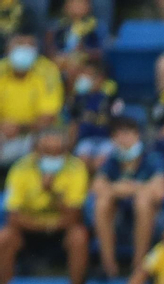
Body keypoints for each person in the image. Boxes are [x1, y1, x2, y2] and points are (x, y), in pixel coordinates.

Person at [0, 125, 87, 284]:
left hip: (61, 233)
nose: (51, 156)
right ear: (36, 150)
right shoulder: (20, 168)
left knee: (79, 237)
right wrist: (45, 226)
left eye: (57, 152)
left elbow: (74, 217)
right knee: (5, 237)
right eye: (47, 151)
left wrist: (53, 192)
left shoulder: (76, 168)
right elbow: (13, 218)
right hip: (29, 232)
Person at [92, 116, 164, 278]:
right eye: (117, 135)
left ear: (137, 135)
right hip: (119, 213)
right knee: (102, 203)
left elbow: (160, 191)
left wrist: (129, 188)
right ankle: (108, 265)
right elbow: (97, 187)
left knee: (143, 201)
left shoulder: (153, 158)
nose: (123, 139)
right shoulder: (111, 161)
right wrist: (125, 189)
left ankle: (139, 265)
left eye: (127, 134)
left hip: (152, 213)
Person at [0, 30, 62, 169]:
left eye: (30, 45)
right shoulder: (1, 68)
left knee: (50, 143)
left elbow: (48, 117)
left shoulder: (48, 71)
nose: (24, 49)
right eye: (20, 44)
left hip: (35, 132)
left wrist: (19, 128)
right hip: (2, 132)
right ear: (8, 47)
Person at [64, 56, 119, 168]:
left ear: (100, 79)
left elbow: (115, 124)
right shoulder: (78, 100)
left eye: (89, 76)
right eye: (83, 75)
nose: (85, 79)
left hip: (105, 141)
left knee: (101, 161)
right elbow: (73, 123)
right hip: (85, 141)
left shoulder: (109, 99)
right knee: (83, 159)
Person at [50, 0, 104, 87]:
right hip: (64, 63)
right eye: (73, 3)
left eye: (80, 3)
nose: (76, 7)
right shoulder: (61, 27)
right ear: (66, 7)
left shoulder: (94, 27)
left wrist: (82, 53)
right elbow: (54, 49)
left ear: (88, 6)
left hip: (86, 65)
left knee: (75, 71)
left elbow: (98, 52)